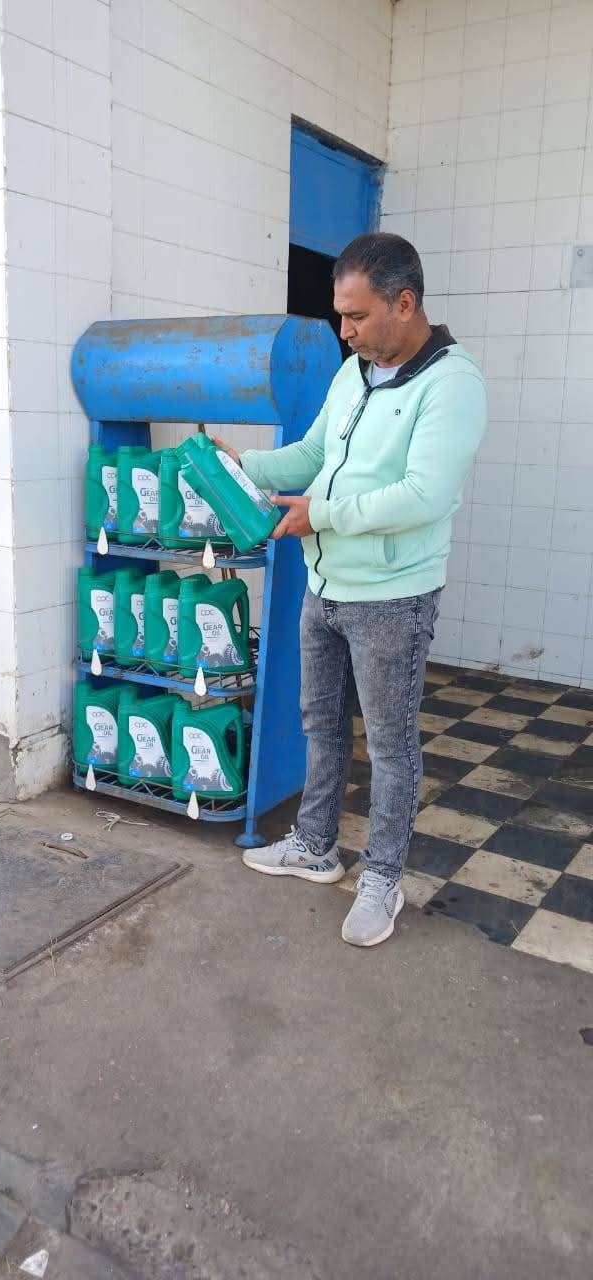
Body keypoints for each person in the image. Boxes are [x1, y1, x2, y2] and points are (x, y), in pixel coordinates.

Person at [214, 233, 487, 948]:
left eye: (357, 316)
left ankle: (384, 877)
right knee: (322, 724)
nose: (345, 330)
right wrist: (247, 467)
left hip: (393, 596)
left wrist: (323, 515)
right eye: (341, 314)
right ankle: (315, 846)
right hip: (325, 584)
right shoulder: (353, 372)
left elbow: (424, 495)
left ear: (405, 304)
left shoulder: (452, 384)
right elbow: (314, 453)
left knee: (391, 746)